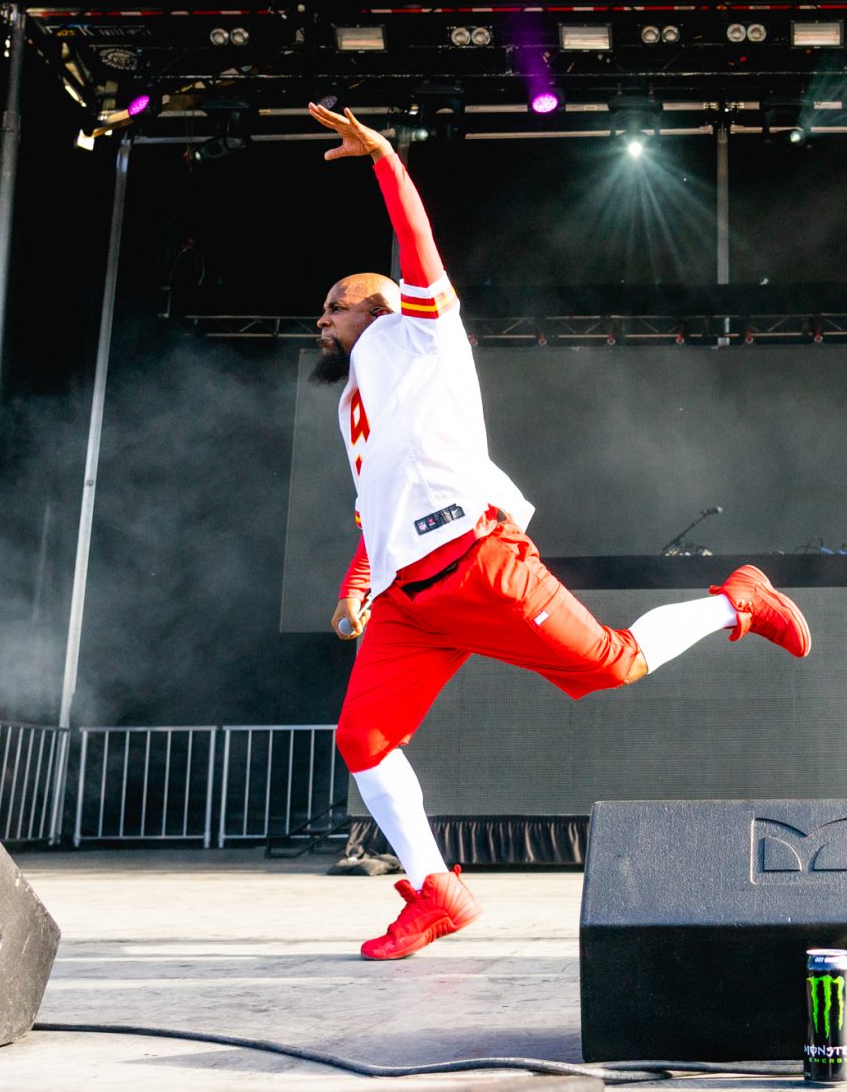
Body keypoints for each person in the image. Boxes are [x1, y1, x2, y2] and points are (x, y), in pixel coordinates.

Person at [304, 101, 813, 961]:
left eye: (335, 305)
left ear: (381, 306)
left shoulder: (421, 340)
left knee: (614, 664)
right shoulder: (357, 396)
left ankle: (738, 601)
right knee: (361, 739)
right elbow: (375, 510)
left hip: (476, 563)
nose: (321, 318)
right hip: (407, 601)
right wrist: (358, 586)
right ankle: (436, 891)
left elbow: (419, 252)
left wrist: (387, 159)